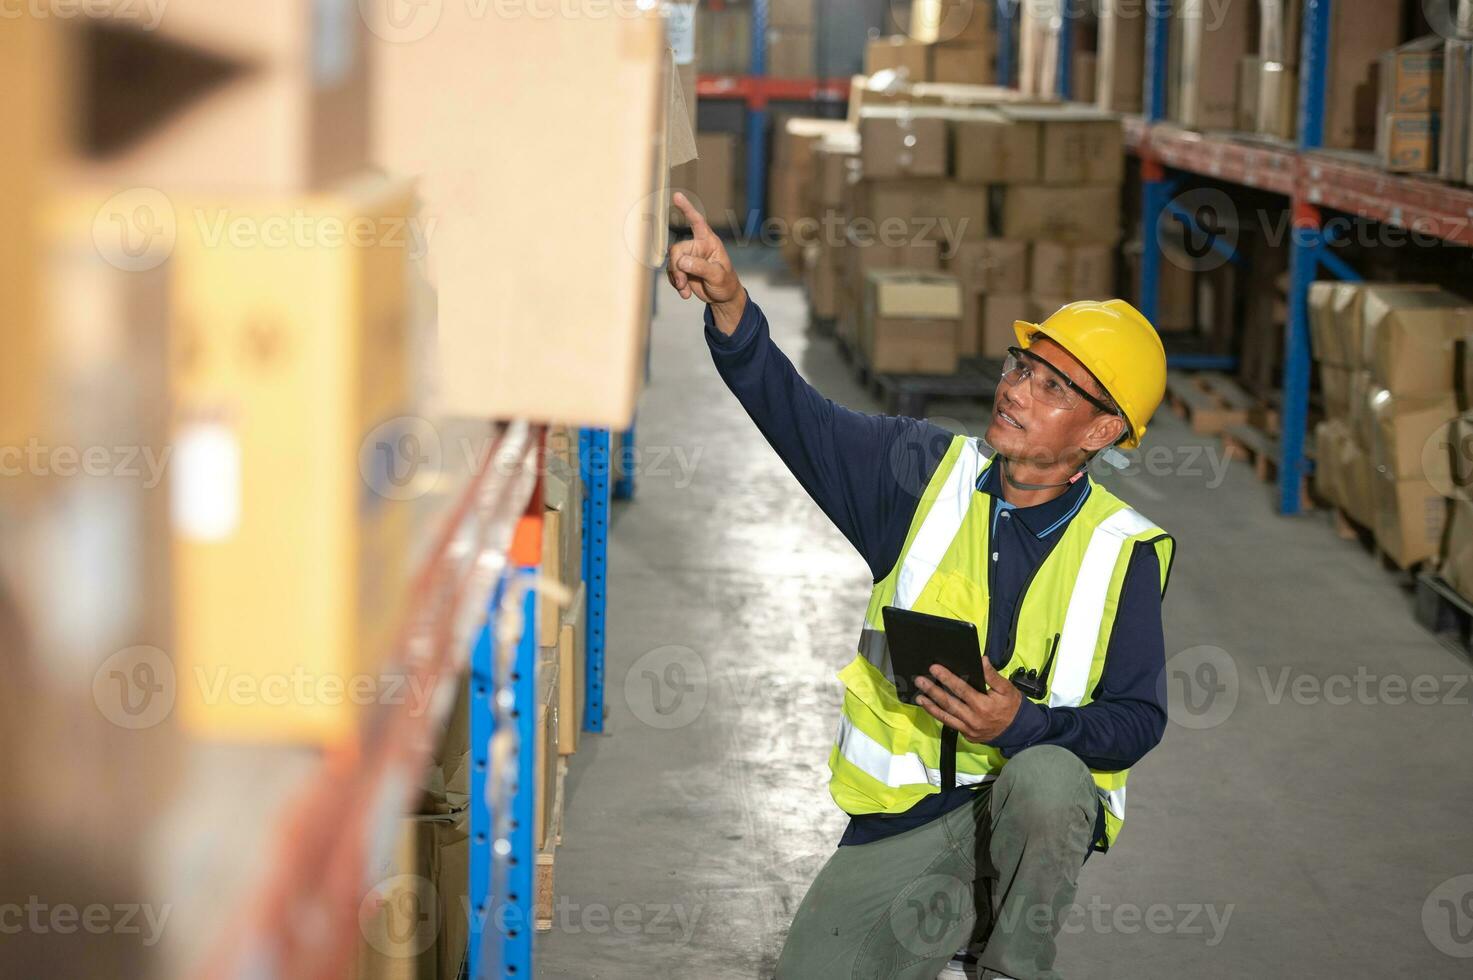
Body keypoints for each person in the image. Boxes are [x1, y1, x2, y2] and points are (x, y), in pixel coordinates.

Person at [665, 193, 1175, 980]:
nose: (1013, 392)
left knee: (1047, 782)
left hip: (1022, 816)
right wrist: (731, 306)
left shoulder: (1120, 551)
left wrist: (1023, 722)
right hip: (904, 823)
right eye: (1021, 369)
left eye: (1051, 388)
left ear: (1100, 432)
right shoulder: (919, 474)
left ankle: (1006, 965)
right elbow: (798, 417)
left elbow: (1136, 719)